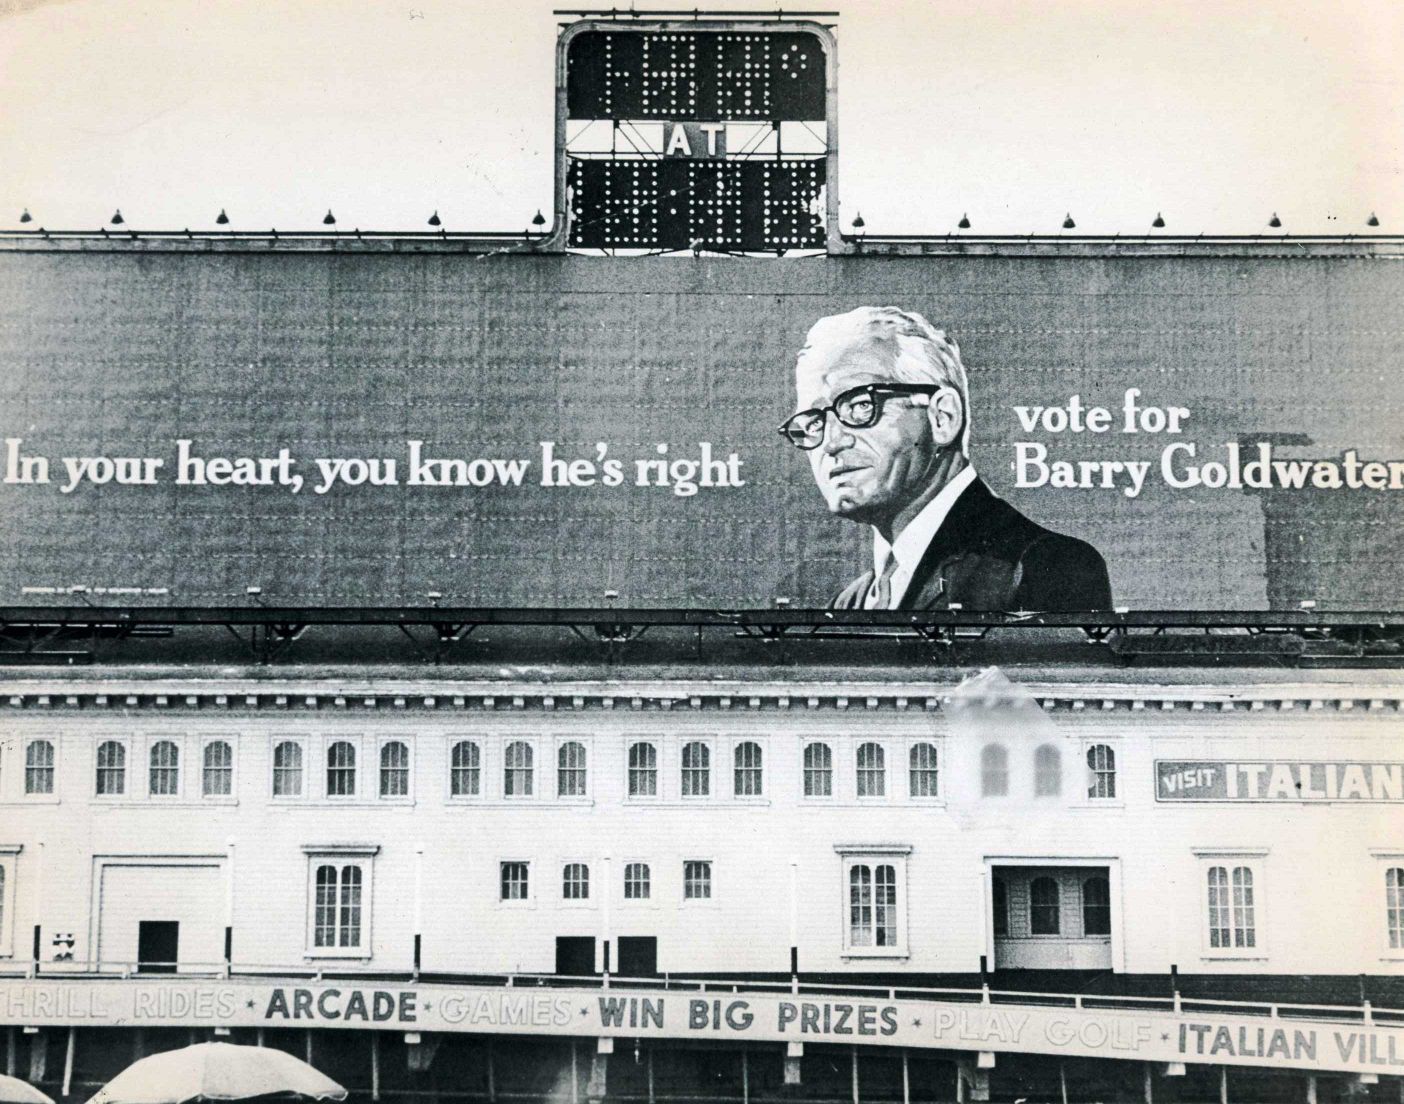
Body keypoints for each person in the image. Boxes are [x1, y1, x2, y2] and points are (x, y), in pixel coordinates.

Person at [779, 306, 1112, 612]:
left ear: (943, 417)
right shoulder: (851, 601)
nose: (831, 442)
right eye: (813, 422)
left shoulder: (1043, 566)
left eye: (861, 405)